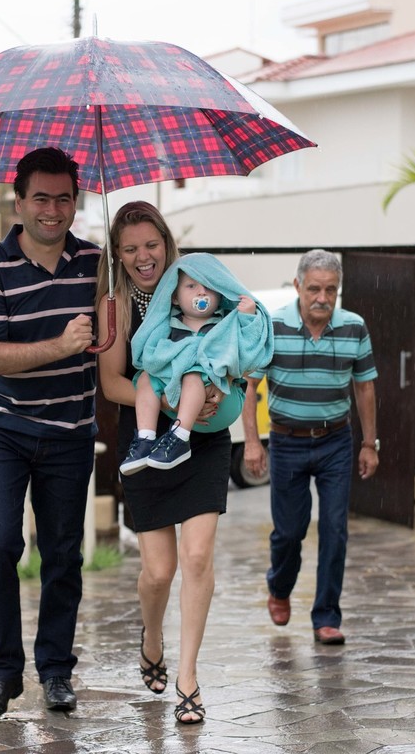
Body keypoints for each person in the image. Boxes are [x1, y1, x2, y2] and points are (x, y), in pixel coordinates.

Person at [96, 204, 264, 725]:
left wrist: (214, 394)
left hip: (205, 437)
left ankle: (187, 677)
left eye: (151, 245)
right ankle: (152, 636)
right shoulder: (113, 306)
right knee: (158, 572)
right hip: (146, 439)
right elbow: (112, 384)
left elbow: (236, 351)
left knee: (196, 557)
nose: (143, 256)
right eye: (130, 249)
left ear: (166, 243)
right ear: (117, 255)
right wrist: (172, 402)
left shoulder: (199, 285)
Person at [0, 147, 100, 718]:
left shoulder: (97, 264)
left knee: (63, 555)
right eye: (40, 198)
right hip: (4, 429)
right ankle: (1, 676)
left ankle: (56, 671)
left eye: (63, 198)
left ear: (76, 202)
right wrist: (62, 346)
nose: (52, 210)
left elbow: (134, 325)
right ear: (18, 202)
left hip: (72, 431)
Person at [241, 248, 379, 647]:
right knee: (289, 532)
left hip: (336, 441)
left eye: (331, 290)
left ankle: (326, 616)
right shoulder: (273, 326)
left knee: (335, 529)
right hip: (287, 441)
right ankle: (280, 586)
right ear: (298, 285)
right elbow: (250, 387)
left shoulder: (354, 327)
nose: (323, 298)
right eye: (315, 289)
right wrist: (252, 442)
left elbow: (365, 387)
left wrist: (369, 444)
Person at [121, 261, 263, 475]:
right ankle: (145, 439)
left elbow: (249, 349)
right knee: (144, 378)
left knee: (192, 374)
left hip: (220, 400)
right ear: (175, 297)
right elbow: (154, 354)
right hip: (179, 397)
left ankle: (179, 437)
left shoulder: (226, 322)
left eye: (209, 287)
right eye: (191, 286)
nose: (201, 292)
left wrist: (247, 316)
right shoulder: (168, 324)